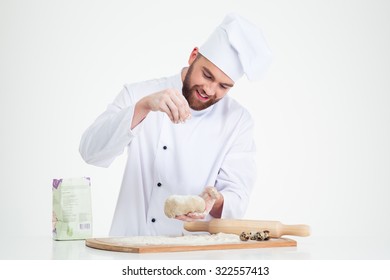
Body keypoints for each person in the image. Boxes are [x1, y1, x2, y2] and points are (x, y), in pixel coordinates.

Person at [79, 13, 272, 236]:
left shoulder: (238, 120)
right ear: (193, 56)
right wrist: (142, 107)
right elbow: (89, 151)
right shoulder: (138, 94)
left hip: (194, 257)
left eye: (223, 86)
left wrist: (216, 200)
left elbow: (237, 196)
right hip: (131, 246)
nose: (209, 90)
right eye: (207, 75)